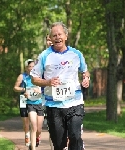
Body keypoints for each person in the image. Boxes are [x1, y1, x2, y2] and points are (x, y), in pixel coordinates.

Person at [30, 22, 90, 150]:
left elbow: (85, 71)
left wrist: (86, 78)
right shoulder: (44, 56)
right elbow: (34, 78)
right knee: (59, 144)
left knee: (75, 136)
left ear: (66, 36)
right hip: (54, 105)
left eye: (60, 34)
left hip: (75, 102)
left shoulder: (76, 54)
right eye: (54, 35)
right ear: (50, 39)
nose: (57, 37)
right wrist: (47, 82)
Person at [14, 59, 44, 150]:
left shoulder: (38, 76)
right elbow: (15, 88)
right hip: (24, 99)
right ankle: (27, 137)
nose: (31, 68)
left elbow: (44, 87)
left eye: (32, 66)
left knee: (35, 125)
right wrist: (23, 90)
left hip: (37, 100)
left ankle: (35, 137)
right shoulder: (22, 76)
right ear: (26, 67)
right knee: (26, 121)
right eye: (29, 66)